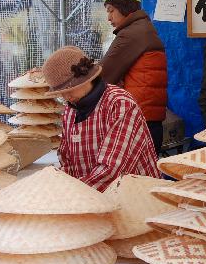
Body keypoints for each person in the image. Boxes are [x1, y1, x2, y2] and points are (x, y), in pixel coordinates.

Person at [42, 45, 162, 191]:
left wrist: (73, 194)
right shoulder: (71, 110)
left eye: (70, 89)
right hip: (92, 195)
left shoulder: (119, 104)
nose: (66, 96)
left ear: (86, 78)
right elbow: (67, 160)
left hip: (134, 197)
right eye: (61, 92)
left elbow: (112, 170)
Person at [99, 0, 167, 154]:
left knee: (131, 181)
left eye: (111, 10)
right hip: (150, 124)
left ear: (124, 7)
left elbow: (102, 76)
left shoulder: (131, 34)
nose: (109, 18)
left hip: (138, 125)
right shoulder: (144, 28)